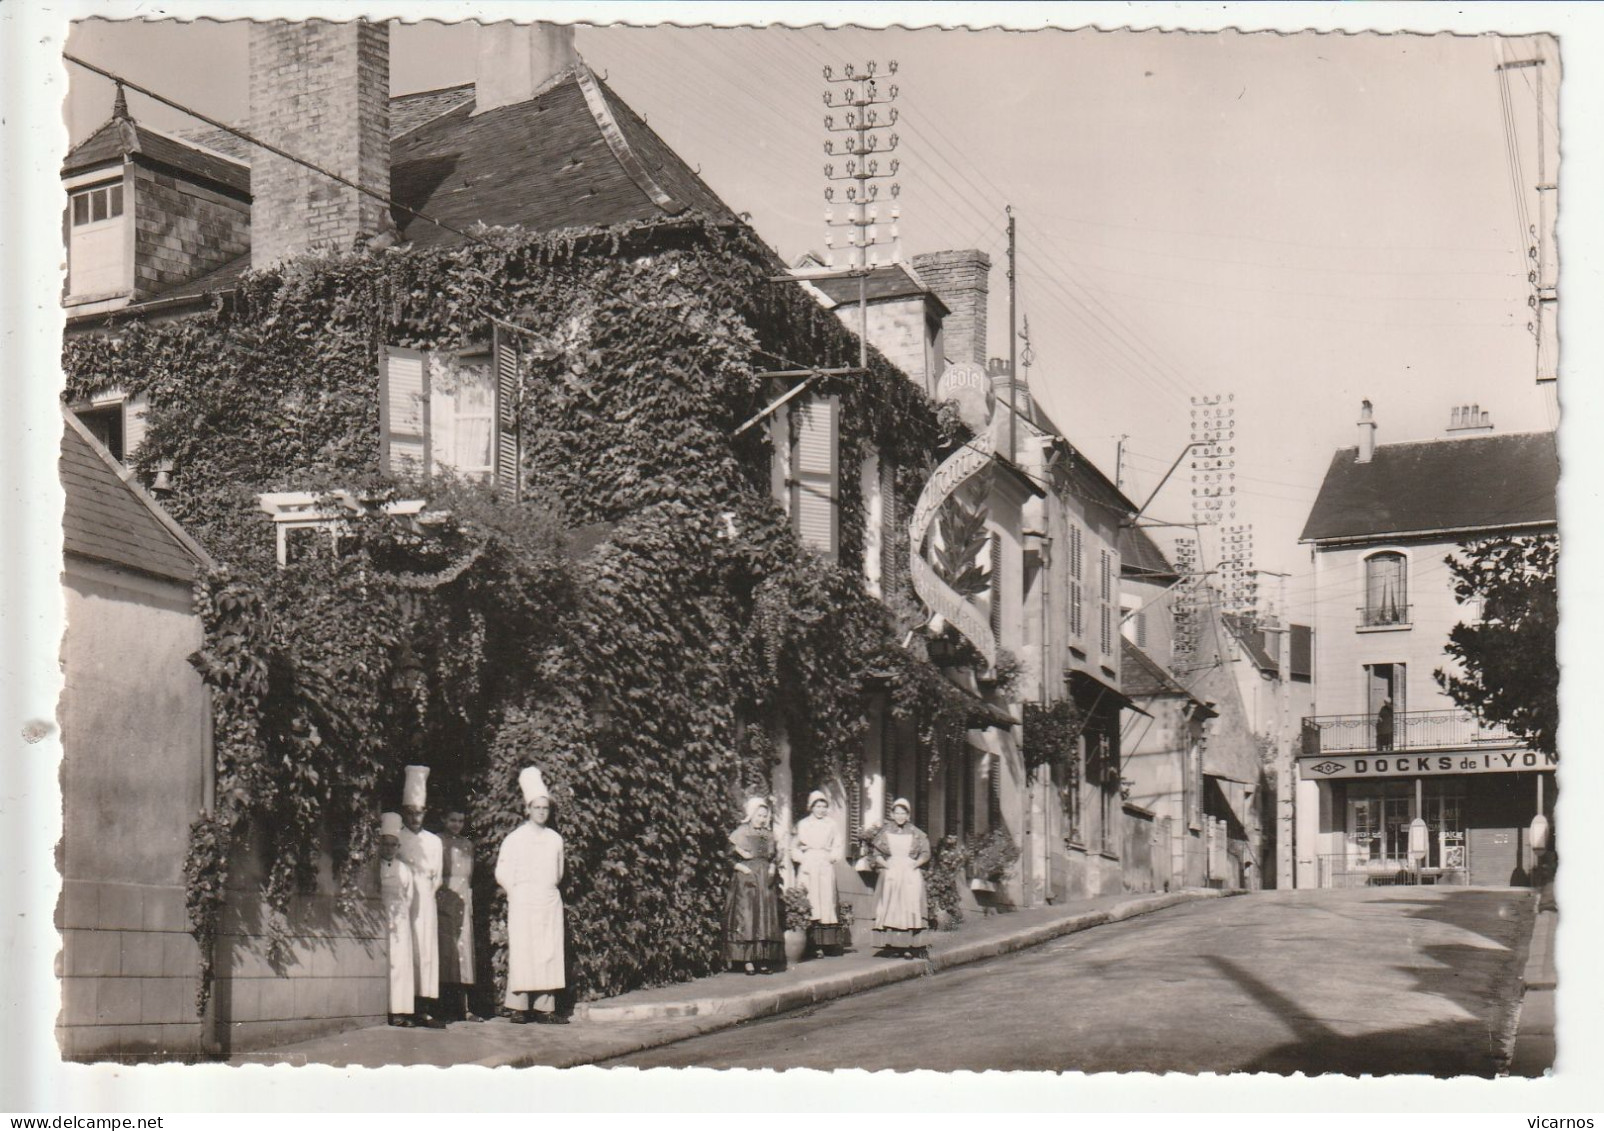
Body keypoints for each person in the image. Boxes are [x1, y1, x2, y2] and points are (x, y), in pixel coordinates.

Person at [496, 766, 568, 1024]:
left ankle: (545, 1007)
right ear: (527, 809)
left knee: (548, 951)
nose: (541, 812)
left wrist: (545, 888)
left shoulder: (555, 840)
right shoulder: (515, 839)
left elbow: (558, 872)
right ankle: (519, 1007)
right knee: (524, 951)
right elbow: (502, 871)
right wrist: (516, 893)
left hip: (548, 900)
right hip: (524, 901)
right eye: (536, 807)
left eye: (545, 808)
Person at [397, 765, 446, 1027]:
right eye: (411, 813)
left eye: (420, 813)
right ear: (404, 813)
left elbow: (437, 876)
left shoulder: (434, 842)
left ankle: (425, 1006)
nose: (415, 818)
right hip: (405, 898)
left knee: (426, 950)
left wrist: (425, 893)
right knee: (408, 949)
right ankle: (406, 1007)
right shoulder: (398, 838)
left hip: (426, 899)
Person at [723, 796, 784, 975]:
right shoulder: (741, 832)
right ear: (751, 814)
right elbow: (728, 857)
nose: (762, 819)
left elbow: (774, 857)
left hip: (765, 879)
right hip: (747, 880)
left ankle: (762, 959)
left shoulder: (768, 834)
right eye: (759, 815)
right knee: (749, 918)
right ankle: (747, 960)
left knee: (764, 920)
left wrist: (773, 866)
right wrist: (742, 867)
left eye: (765, 816)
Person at [871, 798, 931, 959]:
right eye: (897, 813)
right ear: (892, 814)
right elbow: (876, 853)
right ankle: (893, 945)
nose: (900, 816)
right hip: (891, 872)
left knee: (909, 907)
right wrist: (885, 864)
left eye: (903, 813)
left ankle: (909, 946)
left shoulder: (916, 833)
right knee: (891, 907)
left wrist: (916, 864)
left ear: (908, 815)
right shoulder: (885, 832)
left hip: (909, 873)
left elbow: (926, 852)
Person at [437, 807, 480, 1022]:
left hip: (463, 901)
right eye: (452, 819)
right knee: (446, 954)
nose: (456, 824)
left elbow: (469, 876)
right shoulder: (437, 842)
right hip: (444, 902)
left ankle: (465, 1009)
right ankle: (444, 1009)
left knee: (464, 955)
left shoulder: (467, 845)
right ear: (444, 819)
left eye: (460, 820)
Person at [791, 790, 845, 958]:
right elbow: (793, 845)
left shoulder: (832, 824)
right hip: (809, 864)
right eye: (817, 806)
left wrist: (832, 857)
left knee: (825, 900)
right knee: (811, 900)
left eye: (823, 806)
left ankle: (825, 944)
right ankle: (811, 945)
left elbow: (838, 844)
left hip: (824, 863)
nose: (821, 810)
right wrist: (801, 857)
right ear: (811, 807)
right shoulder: (803, 824)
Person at [377, 812, 418, 1028]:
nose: (389, 849)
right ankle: (387, 1011)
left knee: (402, 964)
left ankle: (401, 1011)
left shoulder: (404, 869)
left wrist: (401, 914)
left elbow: (409, 896)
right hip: (383, 917)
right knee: (387, 964)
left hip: (400, 919)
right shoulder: (375, 868)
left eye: (393, 845)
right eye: (385, 844)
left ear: (398, 847)